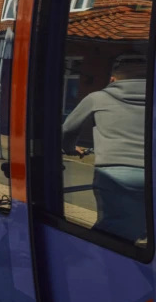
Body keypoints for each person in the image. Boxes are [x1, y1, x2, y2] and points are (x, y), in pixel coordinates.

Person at [61, 56, 147, 243]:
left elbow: (68, 128)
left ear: (113, 79)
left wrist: (69, 149)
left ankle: (91, 267)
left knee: (111, 232)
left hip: (115, 174)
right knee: (141, 227)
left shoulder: (98, 98)